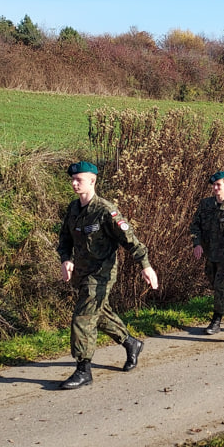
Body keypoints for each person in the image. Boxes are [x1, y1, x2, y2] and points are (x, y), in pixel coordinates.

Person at [56, 161, 158, 389]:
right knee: (98, 314)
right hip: (82, 273)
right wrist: (66, 260)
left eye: (79, 180)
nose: (74, 183)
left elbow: (130, 240)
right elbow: (65, 239)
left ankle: (83, 370)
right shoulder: (73, 209)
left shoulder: (105, 211)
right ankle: (131, 343)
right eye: (72, 180)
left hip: (102, 274)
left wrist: (146, 266)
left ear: (92, 181)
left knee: (83, 317)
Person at [189, 171, 224, 336]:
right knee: (215, 284)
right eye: (214, 185)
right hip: (210, 254)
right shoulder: (205, 205)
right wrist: (197, 243)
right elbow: (195, 226)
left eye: (218, 185)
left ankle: (216, 321)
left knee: (220, 287)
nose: (215, 188)